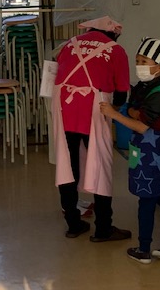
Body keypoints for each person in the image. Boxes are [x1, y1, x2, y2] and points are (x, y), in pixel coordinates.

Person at [100, 37, 160, 264]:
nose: (139, 65)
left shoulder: (158, 94)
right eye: (137, 61)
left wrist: (114, 114)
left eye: (144, 61)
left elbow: (140, 124)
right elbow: (134, 111)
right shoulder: (145, 87)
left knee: (147, 200)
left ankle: (144, 249)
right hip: (149, 151)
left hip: (156, 153)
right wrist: (133, 113)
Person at [51, 16, 132, 241]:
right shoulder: (116, 50)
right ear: (113, 34)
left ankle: (73, 224)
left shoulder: (70, 43)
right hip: (95, 105)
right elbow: (121, 93)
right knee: (101, 162)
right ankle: (103, 228)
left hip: (63, 104)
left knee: (67, 163)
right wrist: (114, 112)